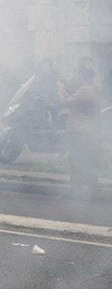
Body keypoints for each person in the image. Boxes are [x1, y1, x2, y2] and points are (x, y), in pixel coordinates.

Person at [59, 65, 102, 197]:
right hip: (85, 131)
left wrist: (61, 89)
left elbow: (65, 102)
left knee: (77, 160)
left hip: (80, 132)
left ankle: (93, 186)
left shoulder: (85, 90)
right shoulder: (92, 89)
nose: (75, 77)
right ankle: (75, 189)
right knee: (75, 160)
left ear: (83, 76)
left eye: (77, 74)